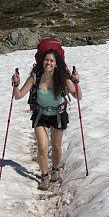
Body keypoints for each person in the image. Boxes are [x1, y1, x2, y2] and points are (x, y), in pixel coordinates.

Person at [12, 49, 82, 190]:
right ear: (42, 61)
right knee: (42, 147)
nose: (48, 63)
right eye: (46, 60)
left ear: (56, 64)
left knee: (56, 146)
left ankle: (55, 169)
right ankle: (44, 176)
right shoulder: (35, 77)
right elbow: (19, 95)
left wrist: (76, 82)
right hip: (41, 115)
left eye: (51, 61)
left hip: (58, 114)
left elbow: (78, 96)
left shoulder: (63, 77)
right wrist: (16, 85)